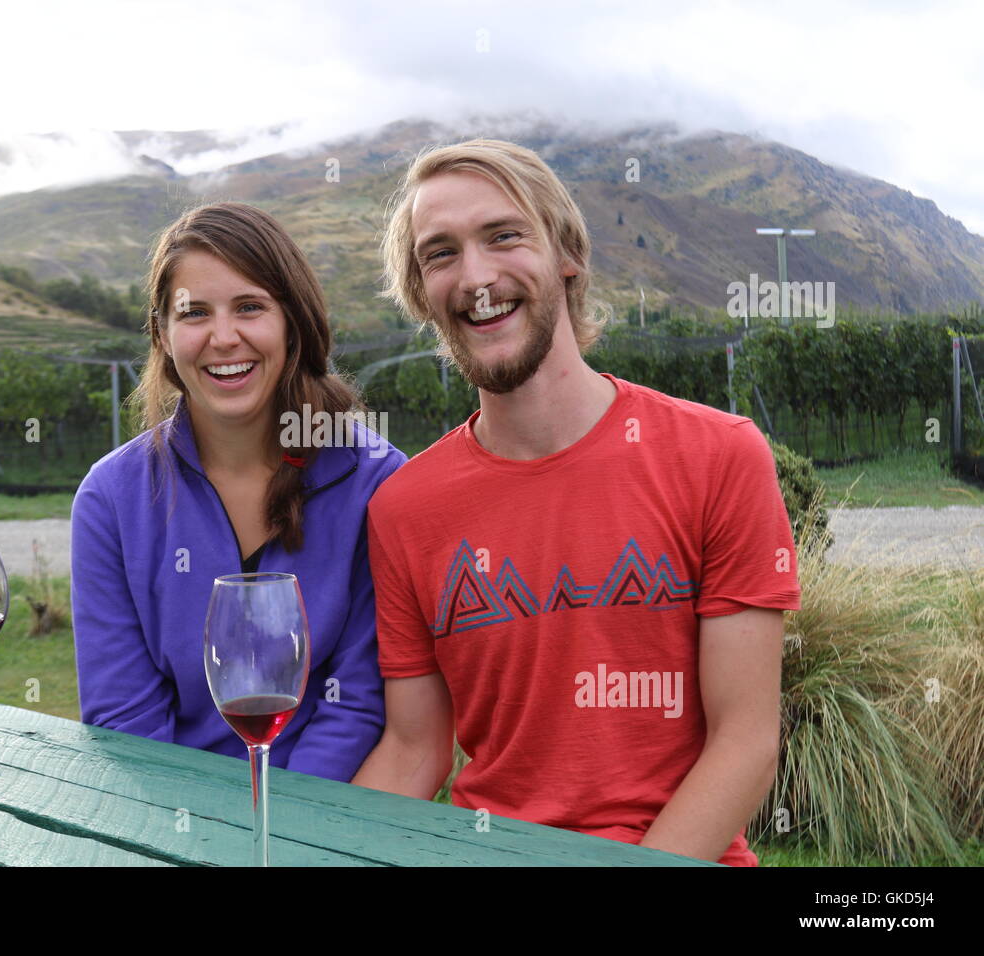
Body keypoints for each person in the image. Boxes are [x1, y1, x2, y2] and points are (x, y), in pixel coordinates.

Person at [352, 139, 801, 865]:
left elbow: (745, 744)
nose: (476, 277)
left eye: (504, 236)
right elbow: (414, 751)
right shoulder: (404, 509)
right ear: (421, 294)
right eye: (440, 254)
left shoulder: (718, 456)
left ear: (566, 254)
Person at [71, 201, 404, 783]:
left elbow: (354, 706)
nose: (223, 338)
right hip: (168, 823)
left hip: (322, 823)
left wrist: (277, 838)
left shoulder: (377, 483)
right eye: (194, 313)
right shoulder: (110, 499)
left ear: (293, 322)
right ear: (163, 334)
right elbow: (123, 717)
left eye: (250, 307)